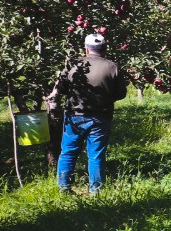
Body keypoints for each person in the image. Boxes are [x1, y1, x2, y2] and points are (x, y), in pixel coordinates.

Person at [45, 33, 129, 194]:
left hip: (74, 116)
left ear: (86, 48)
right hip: (101, 116)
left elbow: (61, 89)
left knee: (68, 152)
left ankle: (63, 188)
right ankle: (95, 191)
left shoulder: (74, 65)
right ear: (104, 48)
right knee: (96, 155)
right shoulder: (112, 67)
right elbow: (121, 94)